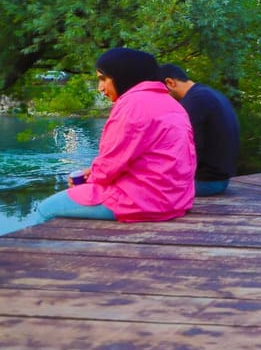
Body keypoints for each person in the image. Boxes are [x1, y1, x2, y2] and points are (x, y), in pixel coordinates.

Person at [36, 48, 196, 222]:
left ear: (123, 75)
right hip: (176, 200)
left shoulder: (132, 105)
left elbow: (109, 166)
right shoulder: (172, 104)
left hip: (143, 201)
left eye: (103, 78)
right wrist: (93, 172)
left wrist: (86, 180)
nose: (100, 88)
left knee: (46, 209)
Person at [157, 63, 240, 196]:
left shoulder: (193, 102)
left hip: (204, 183)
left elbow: (187, 150)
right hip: (220, 179)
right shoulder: (210, 94)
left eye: (161, 93)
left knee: (142, 191)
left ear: (170, 83)